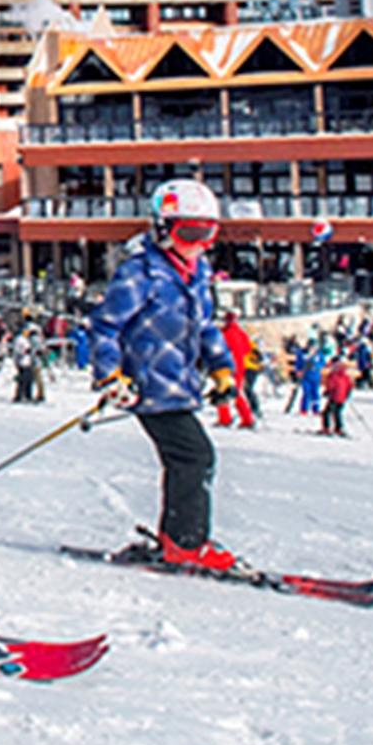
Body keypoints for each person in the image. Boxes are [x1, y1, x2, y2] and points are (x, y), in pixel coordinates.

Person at [86, 178, 244, 571]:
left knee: (187, 458)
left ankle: (181, 537)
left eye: (207, 234)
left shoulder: (198, 272)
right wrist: (110, 377)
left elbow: (206, 327)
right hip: (147, 386)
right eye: (188, 233)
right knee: (194, 455)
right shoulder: (140, 274)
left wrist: (223, 369)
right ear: (162, 229)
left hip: (179, 385)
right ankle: (185, 543)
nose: (198, 243)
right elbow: (104, 327)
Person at [320, 356, 354, 437]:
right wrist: (347, 394)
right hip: (342, 397)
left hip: (334, 397)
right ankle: (338, 428)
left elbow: (331, 385)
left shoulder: (333, 374)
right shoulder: (345, 375)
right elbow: (349, 385)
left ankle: (327, 428)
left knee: (326, 413)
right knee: (337, 413)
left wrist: (327, 392)